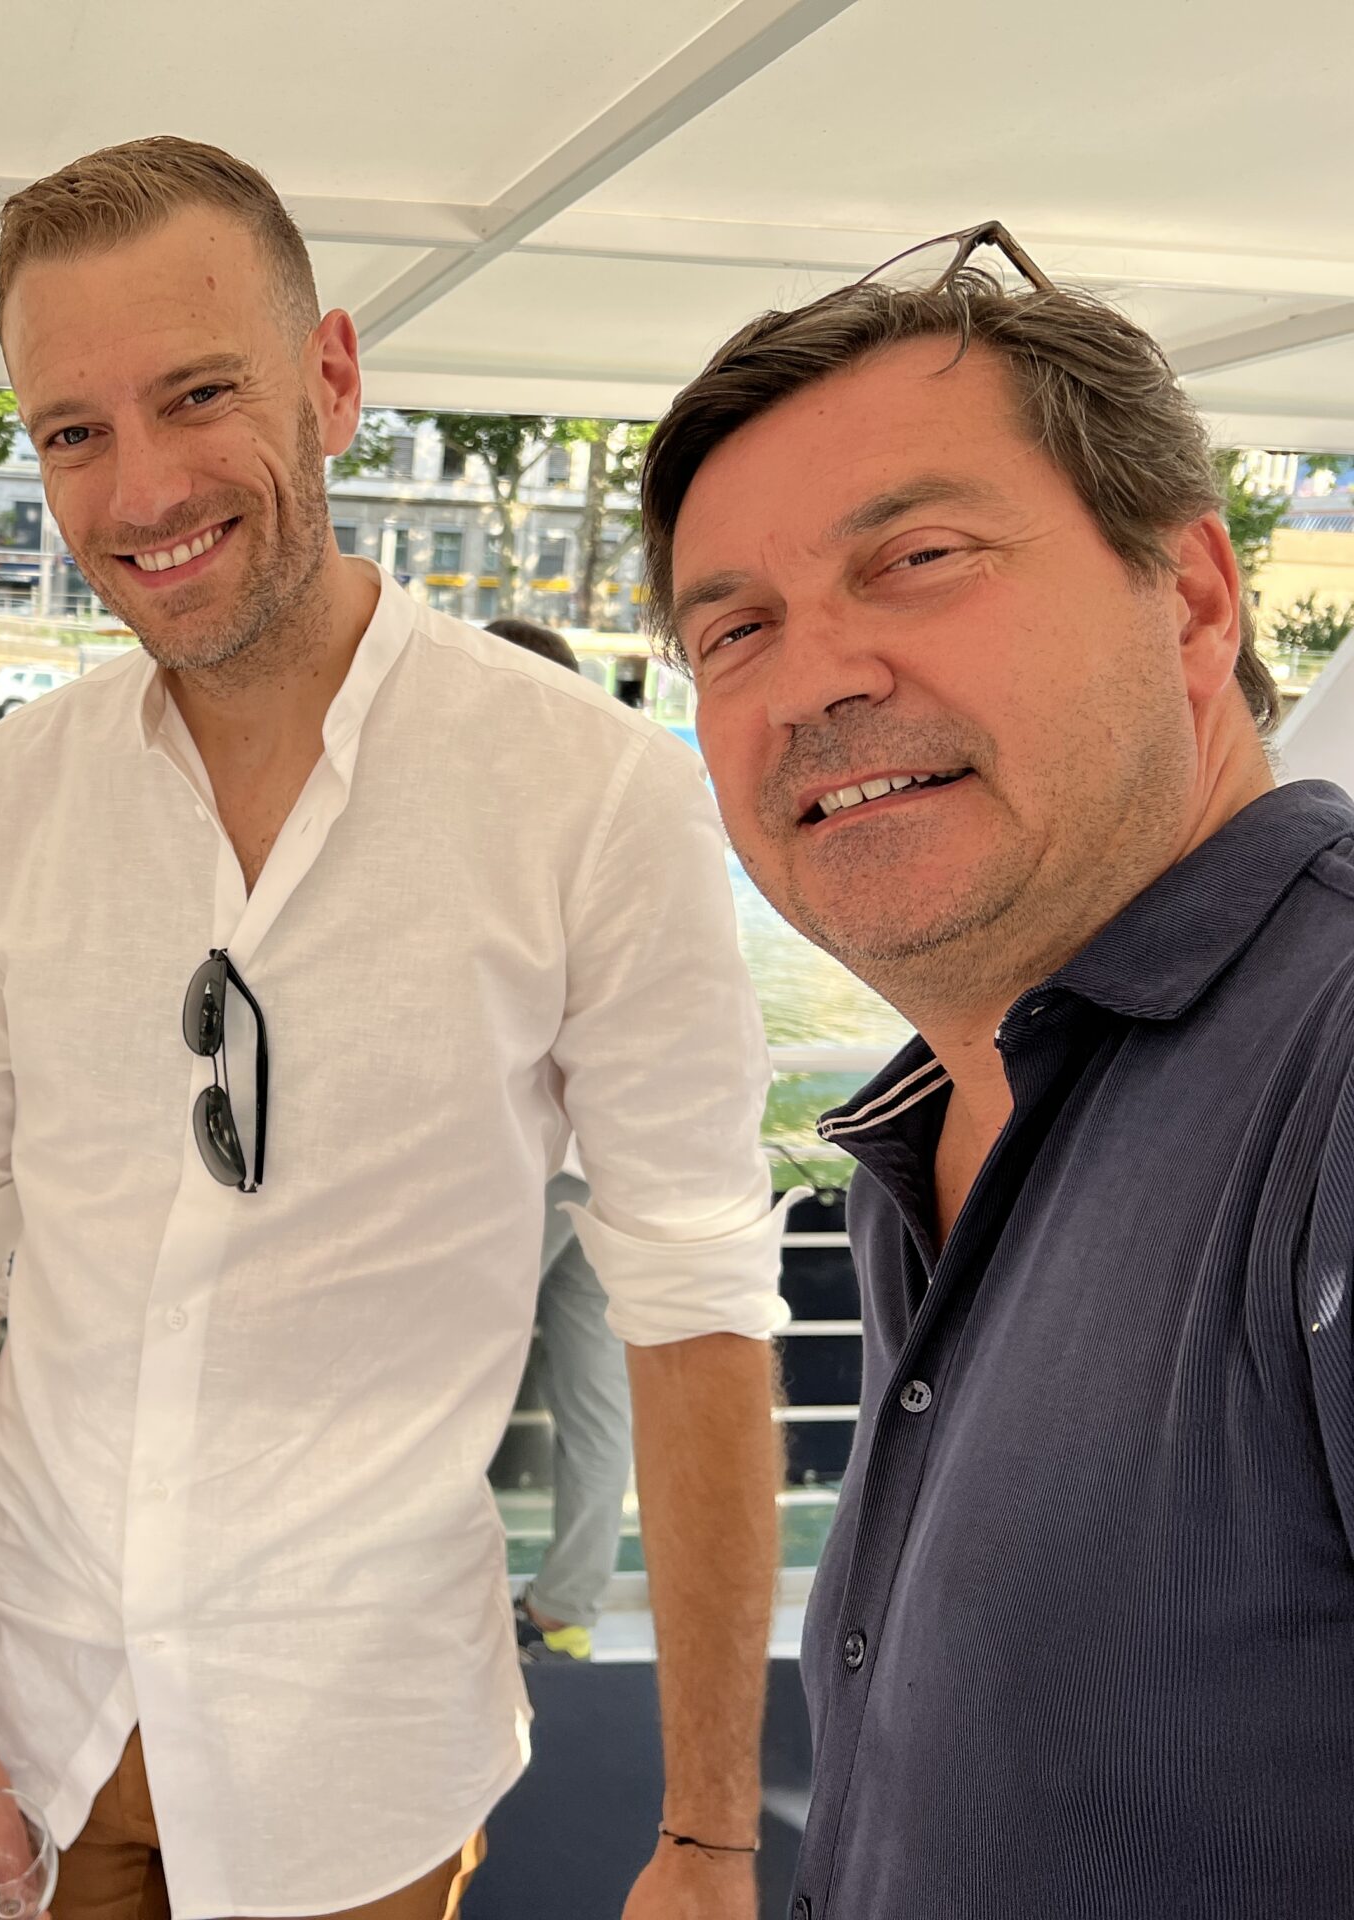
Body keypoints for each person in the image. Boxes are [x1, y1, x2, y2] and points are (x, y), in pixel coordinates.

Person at [0, 137, 792, 1920]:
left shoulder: (591, 796)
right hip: (16, 1731)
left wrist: (710, 1832)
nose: (142, 487)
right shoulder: (6, 800)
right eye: (73, 431)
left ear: (334, 379)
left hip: (353, 1771)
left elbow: (693, 1306)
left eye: (198, 394)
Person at [642, 223, 1354, 1917]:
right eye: (734, 632)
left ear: (1192, 600)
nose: (812, 680)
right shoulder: (945, 1133)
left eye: (919, 558)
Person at [483, 614, 631, 1665]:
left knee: (440, 1380)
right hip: (610, 1164)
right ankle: (568, 1608)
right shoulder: (618, 808)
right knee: (594, 1399)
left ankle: (426, 1608)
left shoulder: (495, 819)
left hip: (526, 1162)